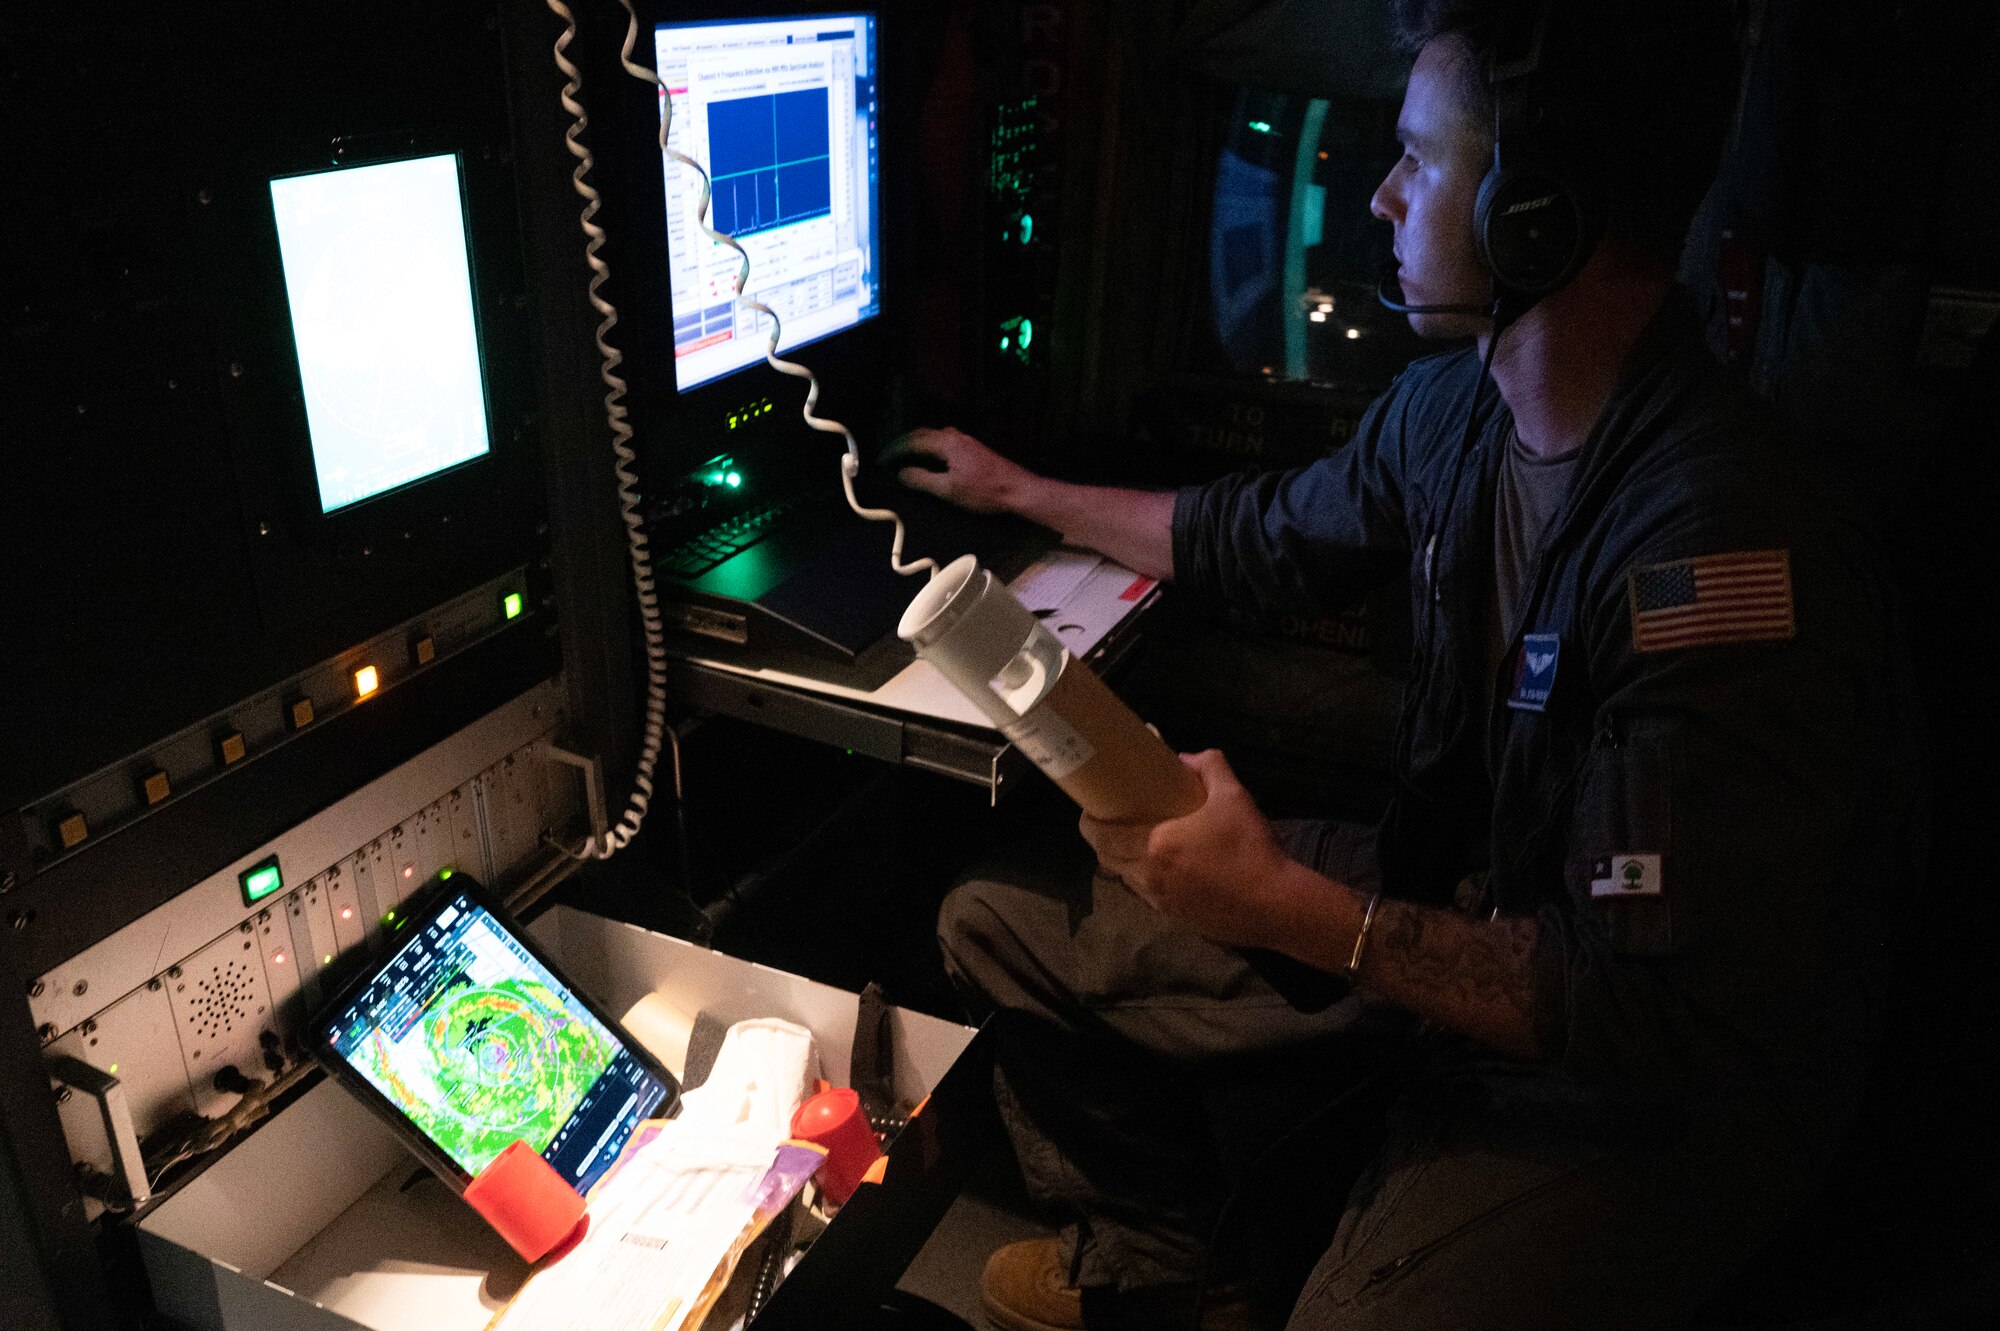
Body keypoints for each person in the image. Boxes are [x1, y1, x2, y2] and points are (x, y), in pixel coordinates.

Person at [892, 1, 1927, 1328]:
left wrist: (1292, 911)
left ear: (1535, 209)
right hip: (1478, 907)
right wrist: (1024, 489)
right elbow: (1252, 535)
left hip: (1659, 1082)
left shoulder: (1721, 550)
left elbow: (1642, 1005)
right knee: (997, 921)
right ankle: (1158, 1266)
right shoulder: (1457, 411)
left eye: (1419, 160)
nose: (1378, 197)